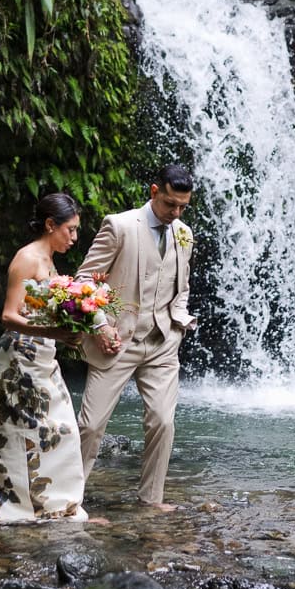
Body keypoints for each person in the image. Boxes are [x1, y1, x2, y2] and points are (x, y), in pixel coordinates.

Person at [77, 165, 196, 511]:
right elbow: (85, 282)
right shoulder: (120, 226)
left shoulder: (184, 233)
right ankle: (70, 500)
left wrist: (179, 319)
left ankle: (151, 500)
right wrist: (100, 326)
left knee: (163, 421)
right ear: (154, 191)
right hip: (117, 341)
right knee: (91, 424)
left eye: (182, 207)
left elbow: (183, 285)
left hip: (162, 342)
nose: (175, 213)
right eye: (170, 204)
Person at [0, 192, 97, 524]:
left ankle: (56, 506)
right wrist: (58, 333)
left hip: (43, 359)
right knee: (20, 434)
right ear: (50, 225)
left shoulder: (49, 261)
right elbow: (8, 315)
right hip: (18, 360)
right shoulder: (27, 258)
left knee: (62, 431)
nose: (74, 238)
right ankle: (11, 508)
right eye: (70, 230)